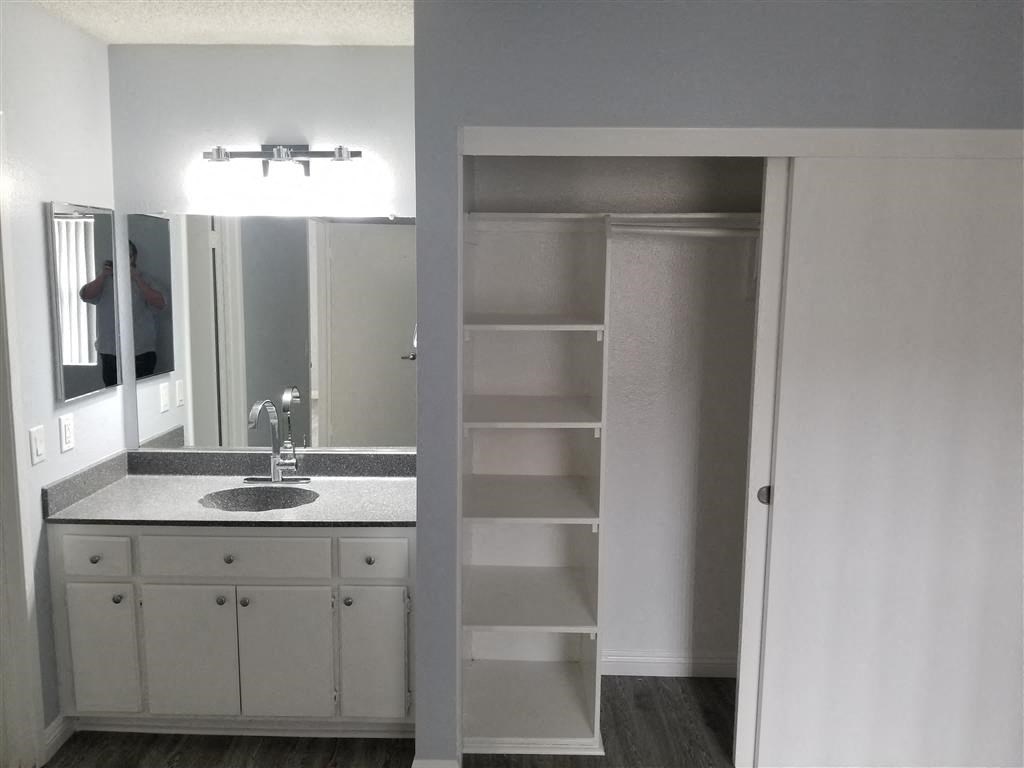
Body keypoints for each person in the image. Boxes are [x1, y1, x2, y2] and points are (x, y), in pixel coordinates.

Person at [79, 240, 166, 386]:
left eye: (128, 255)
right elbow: (86, 295)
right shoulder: (104, 281)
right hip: (110, 352)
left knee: (143, 398)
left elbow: (161, 303)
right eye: (119, 254)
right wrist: (103, 275)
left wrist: (136, 278)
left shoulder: (145, 279)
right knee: (113, 399)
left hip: (140, 352)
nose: (123, 259)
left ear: (134, 258)